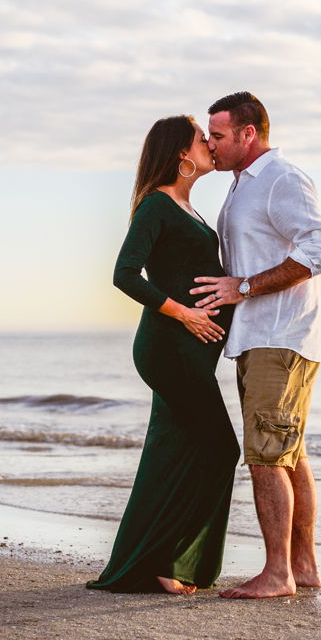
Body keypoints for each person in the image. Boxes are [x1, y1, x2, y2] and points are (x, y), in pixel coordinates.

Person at [87, 115, 240, 595]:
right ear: (181, 155)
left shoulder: (188, 208)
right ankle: (166, 561)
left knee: (169, 454)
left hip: (192, 352)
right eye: (203, 139)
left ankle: (147, 565)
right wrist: (184, 314)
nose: (211, 146)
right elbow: (125, 274)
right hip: (169, 347)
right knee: (222, 449)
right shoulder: (155, 204)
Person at [190, 92, 321, 599]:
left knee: (265, 456)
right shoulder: (240, 186)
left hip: (281, 334)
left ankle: (278, 574)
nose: (212, 143)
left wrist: (244, 287)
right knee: (287, 454)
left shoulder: (281, 179)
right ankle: (303, 567)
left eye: (219, 135)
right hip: (259, 337)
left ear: (248, 134)